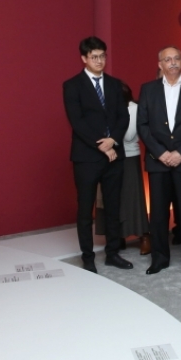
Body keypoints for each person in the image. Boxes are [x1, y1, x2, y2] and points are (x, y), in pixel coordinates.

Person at [62, 36, 134, 273]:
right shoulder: (72, 85)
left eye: (102, 56)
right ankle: (88, 257)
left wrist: (113, 140)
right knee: (85, 209)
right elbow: (77, 122)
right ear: (84, 58)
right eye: (94, 57)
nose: (100, 61)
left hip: (114, 155)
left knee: (113, 207)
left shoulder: (114, 84)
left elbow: (123, 116)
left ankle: (112, 253)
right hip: (87, 157)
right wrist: (103, 145)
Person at [137, 46, 181, 274]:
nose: (173, 62)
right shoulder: (148, 90)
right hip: (157, 161)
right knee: (158, 214)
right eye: (167, 60)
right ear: (160, 65)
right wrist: (160, 153)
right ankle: (159, 258)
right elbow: (142, 125)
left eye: (176, 58)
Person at [96, 82, 151, 255]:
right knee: (112, 198)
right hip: (108, 157)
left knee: (133, 198)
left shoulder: (134, 108)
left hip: (128, 157)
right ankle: (117, 236)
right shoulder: (105, 108)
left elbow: (127, 135)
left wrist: (111, 133)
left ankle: (144, 236)